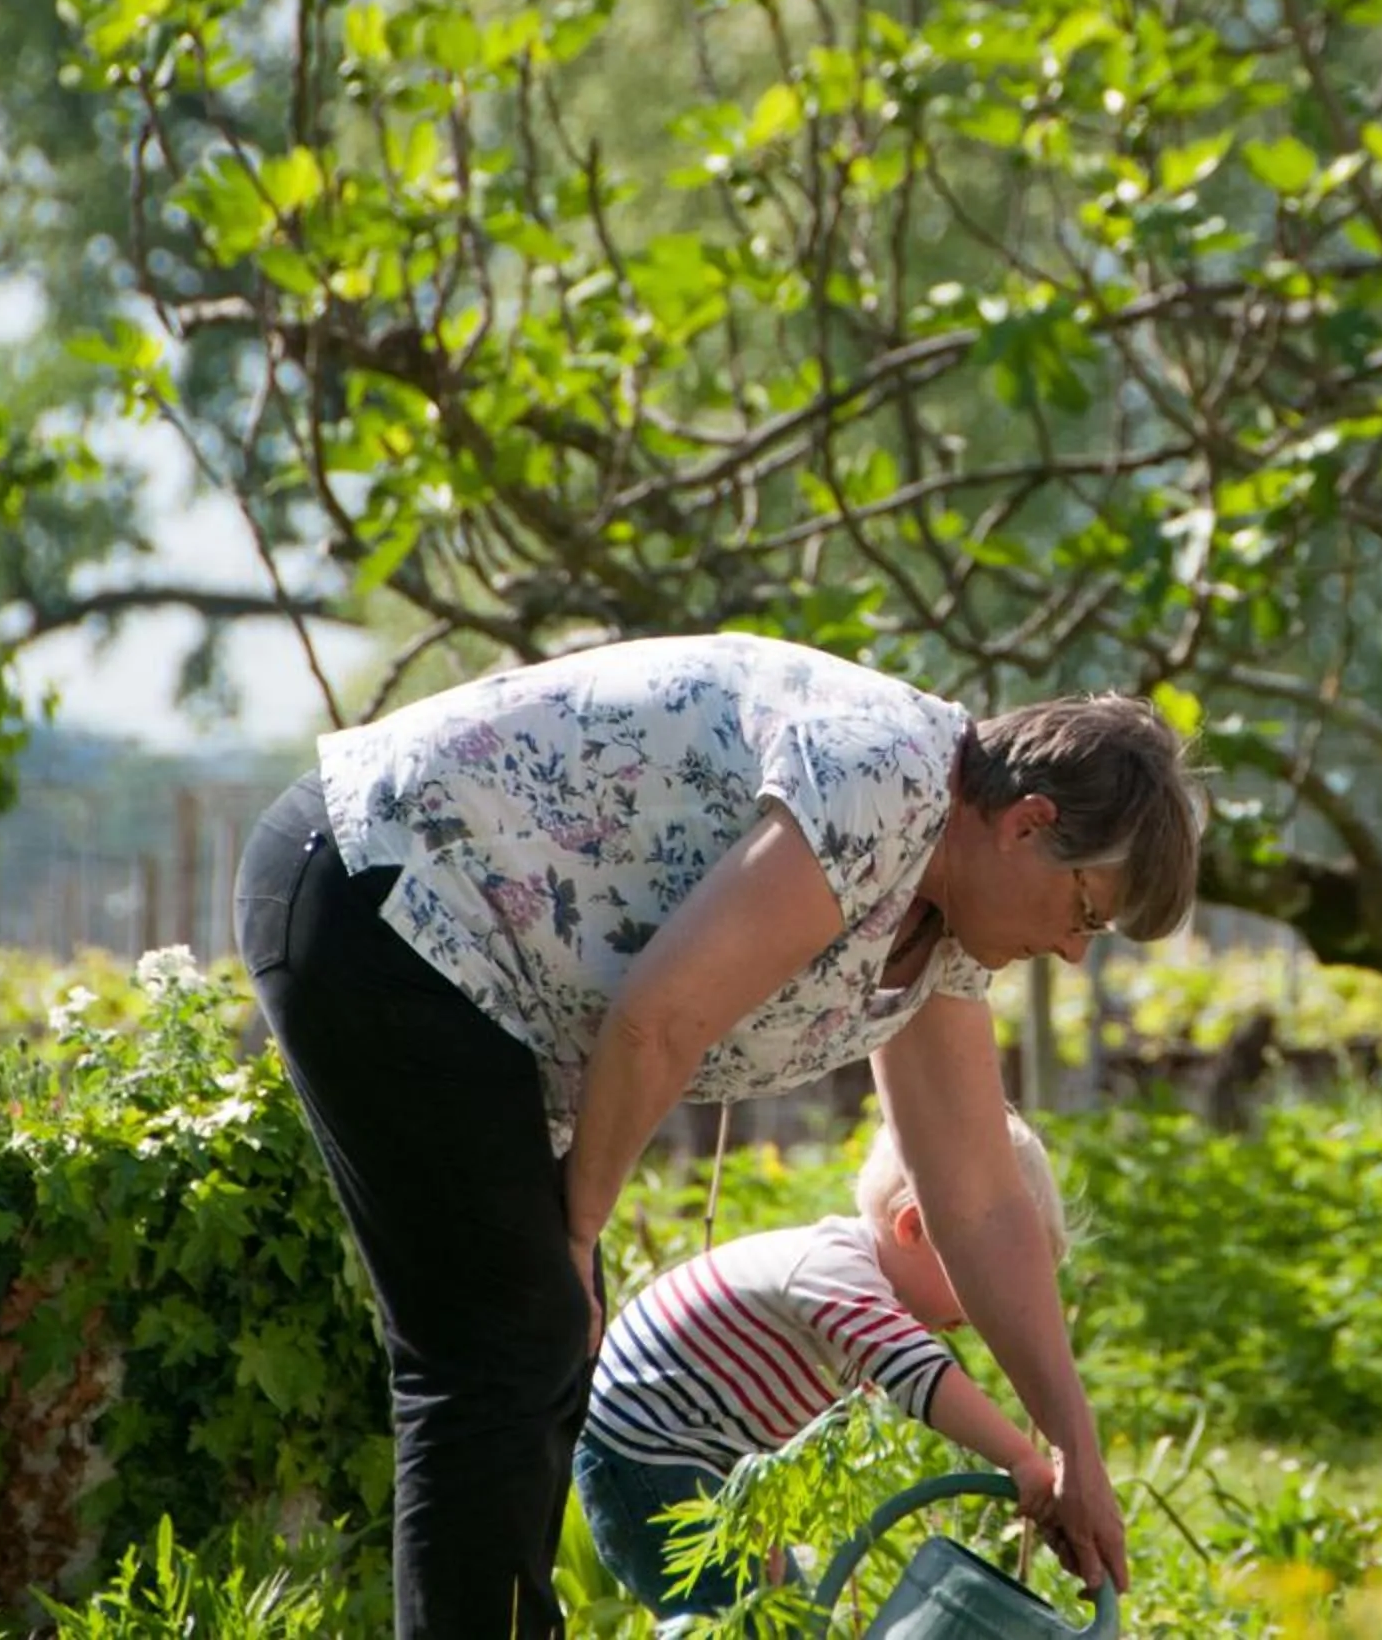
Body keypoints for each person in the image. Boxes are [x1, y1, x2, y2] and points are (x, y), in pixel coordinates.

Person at [233, 633, 1198, 1638]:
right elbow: (659, 1020)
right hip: (383, 889)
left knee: (535, 1346)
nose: (1074, 953)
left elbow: (982, 1201)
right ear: (1028, 824)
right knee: (510, 1344)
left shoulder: (945, 922)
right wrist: (576, 1235)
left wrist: (1075, 1450)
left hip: (475, 975)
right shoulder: (884, 780)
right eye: (1085, 911)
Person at [573, 1114, 1075, 1617]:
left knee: (787, 1620)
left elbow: (766, 1419)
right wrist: (1022, 1459)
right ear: (916, 1227)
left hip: (698, 1455)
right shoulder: (836, 1272)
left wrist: (762, 1513)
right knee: (740, 1624)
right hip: (643, 1453)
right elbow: (922, 1375)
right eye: (984, 1280)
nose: (989, 1307)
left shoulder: (859, 1299)